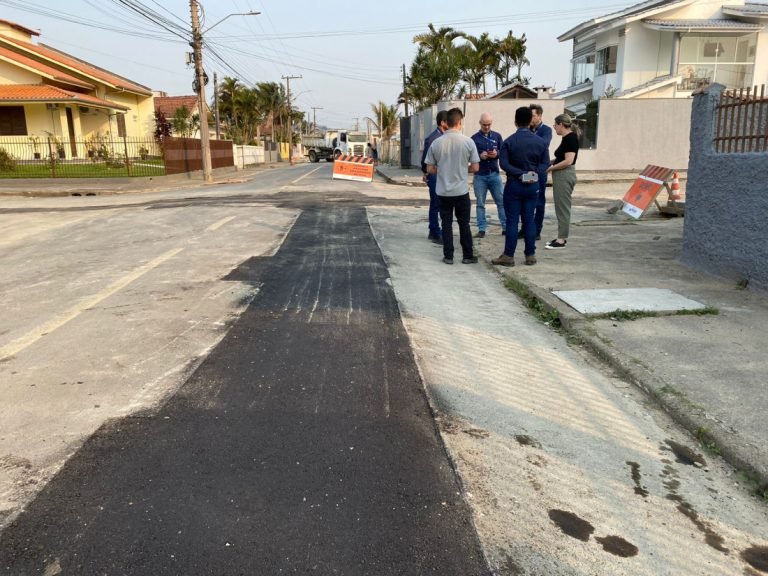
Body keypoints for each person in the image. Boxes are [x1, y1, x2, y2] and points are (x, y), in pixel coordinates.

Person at [492, 106, 549, 267]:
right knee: (529, 220)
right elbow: (545, 162)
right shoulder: (540, 142)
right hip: (533, 185)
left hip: (515, 184)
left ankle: (508, 256)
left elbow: (503, 163)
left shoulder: (509, 141)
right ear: (530, 120)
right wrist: (533, 173)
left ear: (516, 121)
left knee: (512, 221)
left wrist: (519, 174)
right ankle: (530, 255)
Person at [425, 107, 480, 265]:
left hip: (443, 191)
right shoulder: (468, 142)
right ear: (459, 123)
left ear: (446, 123)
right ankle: (467, 255)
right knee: (464, 224)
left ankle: (448, 256)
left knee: (446, 224)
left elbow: (429, 168)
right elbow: (476, 168)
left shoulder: (436, 143)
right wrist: (463, 169)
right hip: (461, 191)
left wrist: (443, 170)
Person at [545, 114, 580, 250]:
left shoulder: (570, 138)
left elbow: (568, 160)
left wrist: (551, 168)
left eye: (555, 125)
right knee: (560, 207)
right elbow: (560, 158)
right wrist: (549, 163)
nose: (554, 128)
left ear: (561, 124)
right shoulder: (566, 138)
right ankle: (561, 236)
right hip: (560, 175)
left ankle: (561, 240)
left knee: (563, 208)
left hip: (564, 175)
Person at [470, 113, 505, 238]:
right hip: (480, 175)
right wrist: (479, 156)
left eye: (489, 124)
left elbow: (504, 152)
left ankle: (505, 227)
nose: (487, 127)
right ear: (480, 123)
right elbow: (470, 155)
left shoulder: (497, 136)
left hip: (494, 174)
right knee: (480, 203)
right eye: (484, 124)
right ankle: (481, 229)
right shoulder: (474, 138)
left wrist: (496, 154)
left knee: (501, 202)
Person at [421, 110, 448, 244]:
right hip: (435, 174)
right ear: (443, 122)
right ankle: (435, 232)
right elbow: (425, 159)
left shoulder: (443, 136)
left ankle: (435, 230)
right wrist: (426, 173)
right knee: (436, 204)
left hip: (441, 174)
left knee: (439, 204)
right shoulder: (433, 138)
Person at [528, 103, 552, 241]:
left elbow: (543, 145)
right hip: (528, 169)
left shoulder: (546, 130)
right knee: (526, 200)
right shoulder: (528, 129)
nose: (531, 119)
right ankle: (526, 228)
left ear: (540, 116)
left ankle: (537, 230)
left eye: (533, 116)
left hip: (540, 171)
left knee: (539, 201)